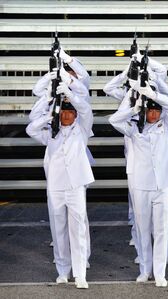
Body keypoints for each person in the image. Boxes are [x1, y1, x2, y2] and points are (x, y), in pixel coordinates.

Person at [109, 79, 168, 287]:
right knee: (142, 229)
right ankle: (144, 270)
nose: (154, 114)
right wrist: (134, 108)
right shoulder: (133, 129)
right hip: (141, 185)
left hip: (162, 185)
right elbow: (114, 120)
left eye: (157, 111)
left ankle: (159, 273)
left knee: (160, 230)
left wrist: (153, 94)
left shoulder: (165, 126)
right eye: (150, 111)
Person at [26, 80, 93, 289]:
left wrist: (69, 95)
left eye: (70, 112)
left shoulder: (82, 129)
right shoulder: (50, 132)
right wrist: (49, 115)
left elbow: (86, 108)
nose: (66, 115)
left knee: (78, 230)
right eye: (63, 112)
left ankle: (80, 274)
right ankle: (63, 270)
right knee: (59, 229)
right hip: (55, 186)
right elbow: (30, 129)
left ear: (75, 115)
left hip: (75, 186)